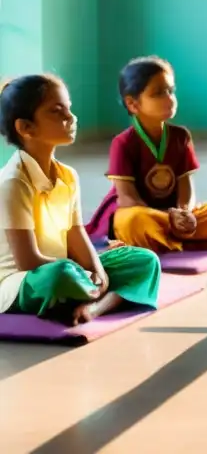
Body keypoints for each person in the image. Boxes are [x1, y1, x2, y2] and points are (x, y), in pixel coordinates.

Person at [0, 75, 160, 324]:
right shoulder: (13, 181)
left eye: (69, 108)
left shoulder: (68, 176)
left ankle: (92, 307)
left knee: (145, 260)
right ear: (25, 128)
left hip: (70, 269)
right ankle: (94, 296)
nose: (71, 117)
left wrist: (96, 270)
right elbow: (27, 260)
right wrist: (83, 273)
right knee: (61, 276)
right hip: (25, 280)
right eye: (57, 111)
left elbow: (76, 234)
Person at [85, 57, 207, 252]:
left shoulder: (180, 136)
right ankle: (176, 236)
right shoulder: (123, 142)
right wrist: (168, 217)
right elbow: (127, 198)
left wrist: (185, 213)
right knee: (135, 221)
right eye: (158, 93)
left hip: (172, 217)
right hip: (143, 214)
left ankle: (170, 237)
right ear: (133, 103)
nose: (169, 98)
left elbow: (185, 186)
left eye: (170, 91)